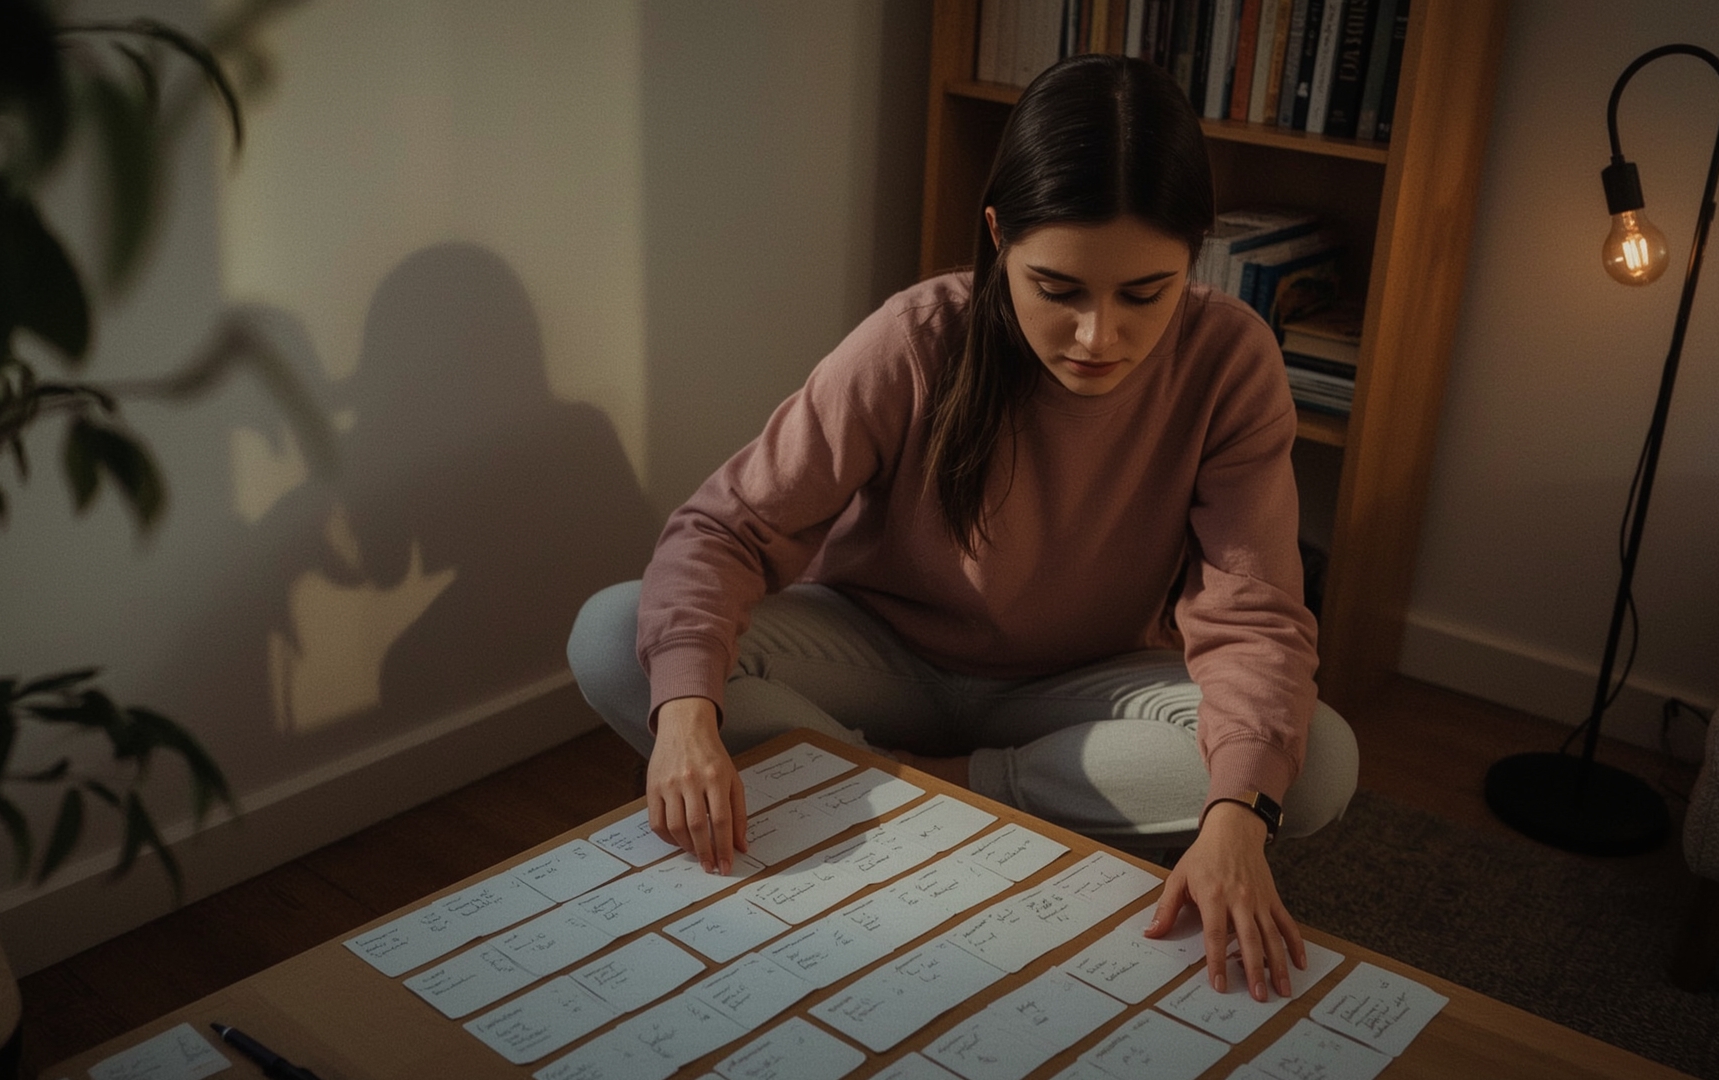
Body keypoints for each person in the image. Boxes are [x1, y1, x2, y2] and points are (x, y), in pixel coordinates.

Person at [567, 52, 1358, 1004]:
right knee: (617, 636)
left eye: (1144, 294)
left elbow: (1255, 617)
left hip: (1078, 692)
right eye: (1058, 289)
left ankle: (903, 790)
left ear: (1196, 255)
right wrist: (690, 720)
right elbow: (723, 529)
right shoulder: (916, 337)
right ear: (997, 236)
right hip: (879, 657)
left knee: (1311, 767)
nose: (1097, 337)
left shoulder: (1231, 359)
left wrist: (1234, 819)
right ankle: (931, 795)